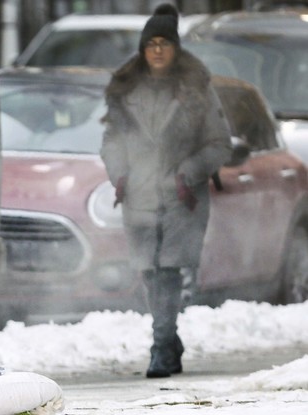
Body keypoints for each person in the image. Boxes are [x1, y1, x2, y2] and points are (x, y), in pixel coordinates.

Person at [100, 4, 232, 378]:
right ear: (143, 49)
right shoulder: (126, 87)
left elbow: (220, 144)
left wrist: (189, 171)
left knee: (167, 271)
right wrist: (119, 172)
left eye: (164, 43)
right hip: (138, 194)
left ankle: (160, 348)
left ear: (175, 48)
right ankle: (170, 341)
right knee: (149, 272)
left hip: (181, 195)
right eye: (150, 43)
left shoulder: (197, 88)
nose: (157, 49)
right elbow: (110, 140)